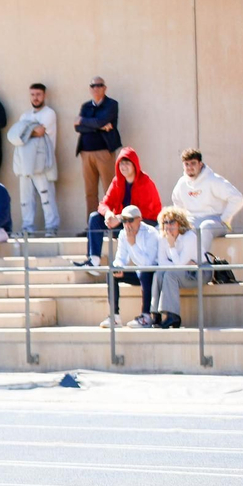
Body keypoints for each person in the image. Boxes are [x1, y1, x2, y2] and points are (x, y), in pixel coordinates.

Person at [80, 147, 161, 268]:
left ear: (135, 165)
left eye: (127, 163)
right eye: (121, 163)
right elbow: (104, 204)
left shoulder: (146, 182)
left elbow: (143, 212)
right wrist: (108, 214)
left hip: (144, 224)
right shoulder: (117, 181)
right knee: (95, 218)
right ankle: (94, 260)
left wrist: (120, 218)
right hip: (122, 224)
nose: (123, 167)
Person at [6, 83, 60, 236]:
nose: (35, 98)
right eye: (33, 94)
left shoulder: (49, 113)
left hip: (43, 162)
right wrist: (29, 131)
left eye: (38, 94)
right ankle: (27, 228)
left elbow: (39, 132)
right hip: (25, 163)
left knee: (46, 196)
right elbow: (16, 136)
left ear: (44, 95)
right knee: (26, 199)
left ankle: (52, 227)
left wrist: (24, 133)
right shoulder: (25, 116)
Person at [171, 148, 243, 258]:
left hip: (216, 222)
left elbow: (237, 198)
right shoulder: (181, 183)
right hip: (193, 220)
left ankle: (202, 262)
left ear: (200, 164)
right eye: (186, 164)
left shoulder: (213, 180)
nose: (190, 167)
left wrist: (224, 218)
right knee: (172, 227)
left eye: (193, 163)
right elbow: (177, 203)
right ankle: (180, 263)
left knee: (205, 227)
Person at [103, 205, 161, 328]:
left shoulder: (151, 233)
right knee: (111, 272)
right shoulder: (123, 233)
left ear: (139, 219)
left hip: (154, 273)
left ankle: (146, 316)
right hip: (139, 271)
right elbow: (121, 257)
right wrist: (118, 267)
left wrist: (132, 243)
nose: (127, 224)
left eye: (130, 220)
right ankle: (114, 316)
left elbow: (148, 263)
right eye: (124, 220)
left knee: (145, 273)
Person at [75, 77, 122, 210]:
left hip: (104, 152)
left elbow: (100, 121)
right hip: (86, 153)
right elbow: (78, 128)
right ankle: (92, 222)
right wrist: (99, 126)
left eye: (99, 85)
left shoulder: (111, 104)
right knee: (90, 192)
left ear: (104, 88)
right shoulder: (86, 106)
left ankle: (112, 221)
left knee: (110, 190)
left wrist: (83, 121)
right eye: (93, 86)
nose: (96, 88)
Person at [152, 207, 199, 329]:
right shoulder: (163, 237)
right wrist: (181, 265)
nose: (168, 226)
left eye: (172, 222)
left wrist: (172, 245)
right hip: (183, 270)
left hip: (198, 272)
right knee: (158, 274)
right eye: (165, 222)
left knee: (170, 274)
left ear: (180, 223)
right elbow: (162, 263)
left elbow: (179, 266)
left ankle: (173, 316)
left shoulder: (189, 237)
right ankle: (155, 314)